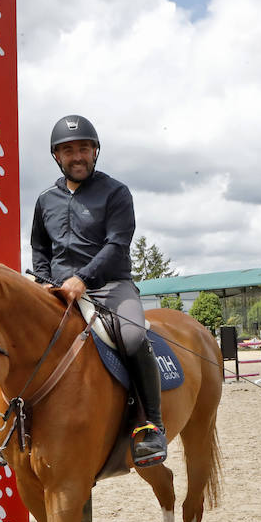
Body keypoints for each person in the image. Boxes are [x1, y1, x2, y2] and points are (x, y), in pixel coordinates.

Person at [30, 114, 167, 467]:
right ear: (56, 156)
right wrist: (45, 281)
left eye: (84, 148)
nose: (77, 156)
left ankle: (152, 424)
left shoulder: (116, 192)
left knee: (134, 337)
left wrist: (83, 280)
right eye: (68, 150)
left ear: (95, 152)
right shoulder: (46, 199)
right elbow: (40, 248)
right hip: (59, 292)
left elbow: (117, 245)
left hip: (110, 287)